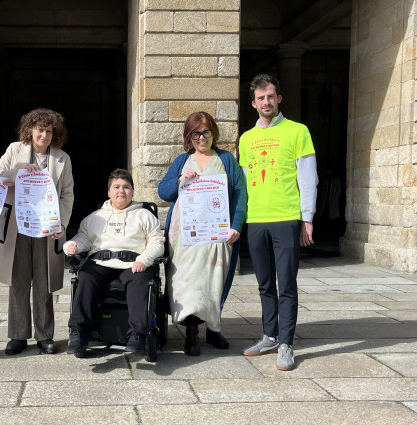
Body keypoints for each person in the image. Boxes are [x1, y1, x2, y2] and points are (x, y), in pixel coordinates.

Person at [238, 74, 318, 371]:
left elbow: (308, 178)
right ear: (253, 103)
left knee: (286, 283)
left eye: (271, 96)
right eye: (261, 98)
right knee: (263, 284)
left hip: (286, 218)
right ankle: (269, 335)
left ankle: (286, 343)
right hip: (256, 219)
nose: (266, 102)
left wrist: (306, 219)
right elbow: (244, 182)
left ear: (279, 98)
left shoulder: (298, 132)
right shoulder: (246, 139)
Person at [158, 112, 247, 356]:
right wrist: (179, 180)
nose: (201, 138)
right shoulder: (182, 161)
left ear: (213, 133)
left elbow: (240, 194)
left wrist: (237, 225)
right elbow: (164, 192)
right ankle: (191, 333)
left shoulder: (226, 160)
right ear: (189, 136)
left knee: (212, 281)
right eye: (196, 133)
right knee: (188, 283)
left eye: (206, 132)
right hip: (186, 235)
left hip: (216, 234)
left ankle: (213, 328)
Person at [0, 108, 74, 355]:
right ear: (30, 130)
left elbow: (67, 193)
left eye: (49, 131)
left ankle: (45, 336)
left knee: (44, 281)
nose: (44, 135)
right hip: (18, 226)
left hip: (47, 227)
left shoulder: (62, 158)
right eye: (40, 129)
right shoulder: (15, 150)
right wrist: (15, 173)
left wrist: (62, 223)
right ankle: (18, 335)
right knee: (19, 281)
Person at [64, 169, 164, 358]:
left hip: (134, 263)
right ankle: (79, 332)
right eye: (116, 187)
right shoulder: (96, 217)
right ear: (108, 192)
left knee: (141, 279)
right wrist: (73, 245)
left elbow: (157, 243)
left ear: (132, 191)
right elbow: (84, 238)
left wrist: (144, 259)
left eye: (126, 187)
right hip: (101, 262)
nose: (121, 191)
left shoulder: (144, 215)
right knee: (85, 276)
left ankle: (137, 333)